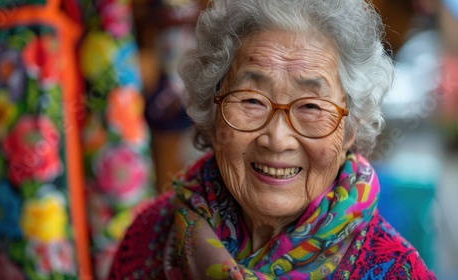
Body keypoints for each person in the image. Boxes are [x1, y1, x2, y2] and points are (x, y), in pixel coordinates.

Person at [108, 0, 436, 278]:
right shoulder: (149, 238)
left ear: (350, 127)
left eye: (310, 106)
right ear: (212, 109)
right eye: (251, 100)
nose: (277, 140)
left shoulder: (396, 270)